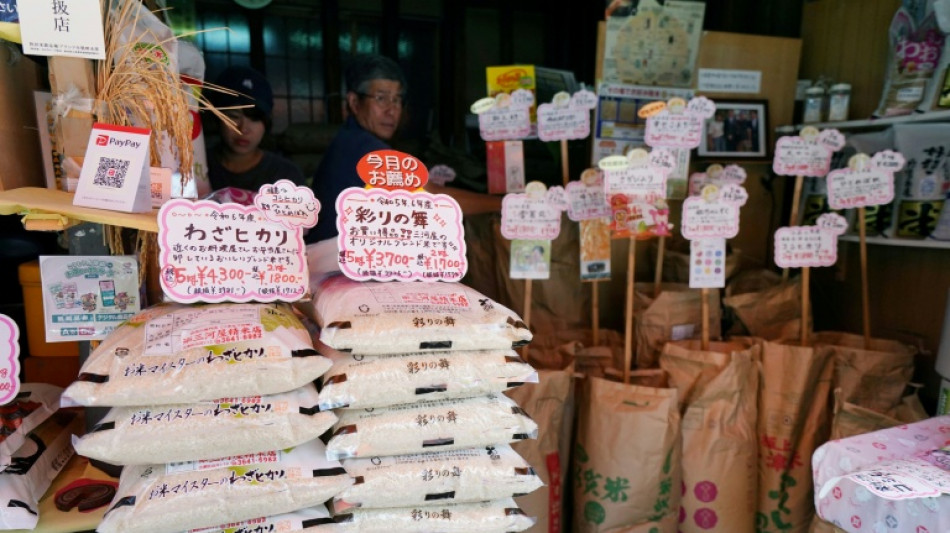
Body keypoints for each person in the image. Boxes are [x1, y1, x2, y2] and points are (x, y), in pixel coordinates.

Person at [307, 53, 500, 244]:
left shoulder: (349, 137)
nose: (391, 110)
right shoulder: (366, 149)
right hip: (337, 261)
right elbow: (432, 198)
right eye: (381, 98)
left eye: (397, 99)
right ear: (354, 103)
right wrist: (503, 203)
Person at [206, 66, 305, 193]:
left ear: (266, 123)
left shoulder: (285, 175)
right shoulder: (196, 165)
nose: (243, 129)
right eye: (233, 116)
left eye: (254, 119)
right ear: (217, 117)